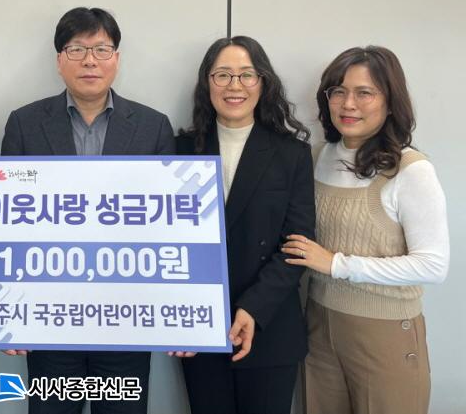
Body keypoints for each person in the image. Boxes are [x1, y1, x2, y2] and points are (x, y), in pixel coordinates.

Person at [1, 7, 175, 414]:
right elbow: (8, 225)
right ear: (59, 60)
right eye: (77, 49)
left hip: (127, 319)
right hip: (48, 318)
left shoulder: (152, 126)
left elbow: (169, 229)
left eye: (101, 49)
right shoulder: (25, 124)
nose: (90, 60)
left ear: (117, 58)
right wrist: (11, 315)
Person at [282, 46, 449, 414]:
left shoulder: (411, 170)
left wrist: (337, 264)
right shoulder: (316, 157)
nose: (348, 104)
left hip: (385, 332)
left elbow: (433, 265)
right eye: (338, 91)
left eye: (364, 93)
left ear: (390, 102)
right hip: (318, 323)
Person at [174, 36, 315, 414]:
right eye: (222, 75)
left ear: (263, 82)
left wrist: (252, 308)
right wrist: (176, 317)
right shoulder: (180, 150)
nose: (234, 86)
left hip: (269, 325)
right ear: (207, 83)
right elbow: (164, 241)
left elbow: (298, 244)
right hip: (199, 327)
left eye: (246, 75)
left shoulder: (292, 153)